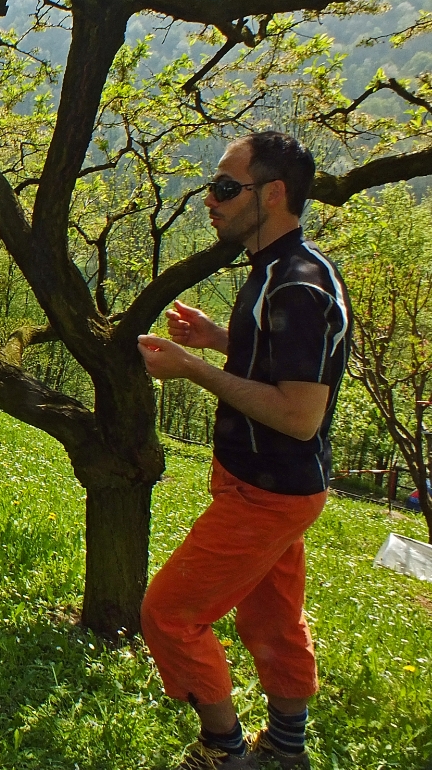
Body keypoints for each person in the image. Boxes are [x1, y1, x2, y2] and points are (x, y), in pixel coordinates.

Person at [137, 132, 351, 770]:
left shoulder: (299, 287)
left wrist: (191, 369)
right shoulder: (276, 271)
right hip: (266, 484)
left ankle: (222, 751)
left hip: (269, 490)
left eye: (228, 188)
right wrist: (215, 337)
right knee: (273, 618)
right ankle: (286, 748)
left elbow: (300, 414)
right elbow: (280, 361)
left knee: (169, 614)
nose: (212, 199)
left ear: (274, 194)